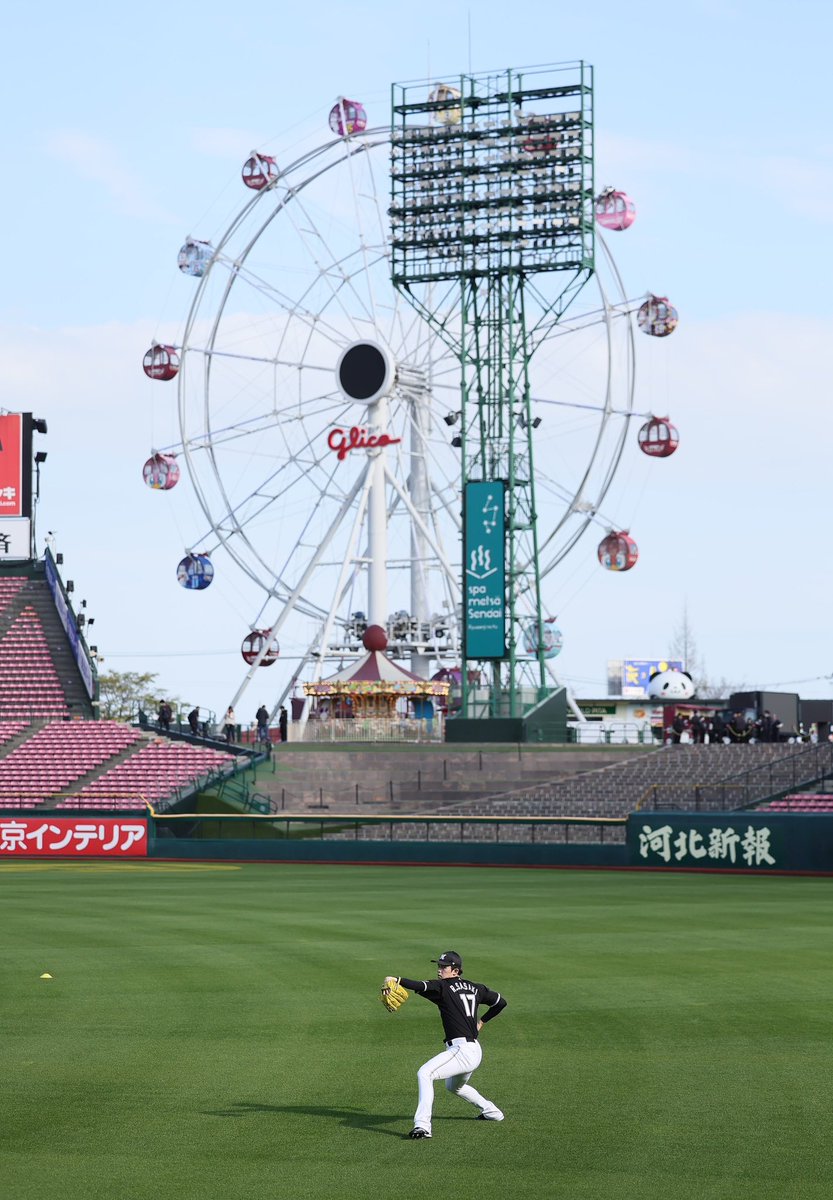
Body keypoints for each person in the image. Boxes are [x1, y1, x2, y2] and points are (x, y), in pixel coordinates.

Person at [385, 949, 507, 1139]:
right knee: (454, 1087)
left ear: (456, 970)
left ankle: (423, 1126)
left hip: (463, 1051)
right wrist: (481, 1022)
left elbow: (419, 985)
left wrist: (394, 979)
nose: (439, 970)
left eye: (444, 967)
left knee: (425, 1073)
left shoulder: (442, 987)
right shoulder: (476, 988)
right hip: (472, 1050)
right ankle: (493, 1112)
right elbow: (500, 1003)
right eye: (439, 966)